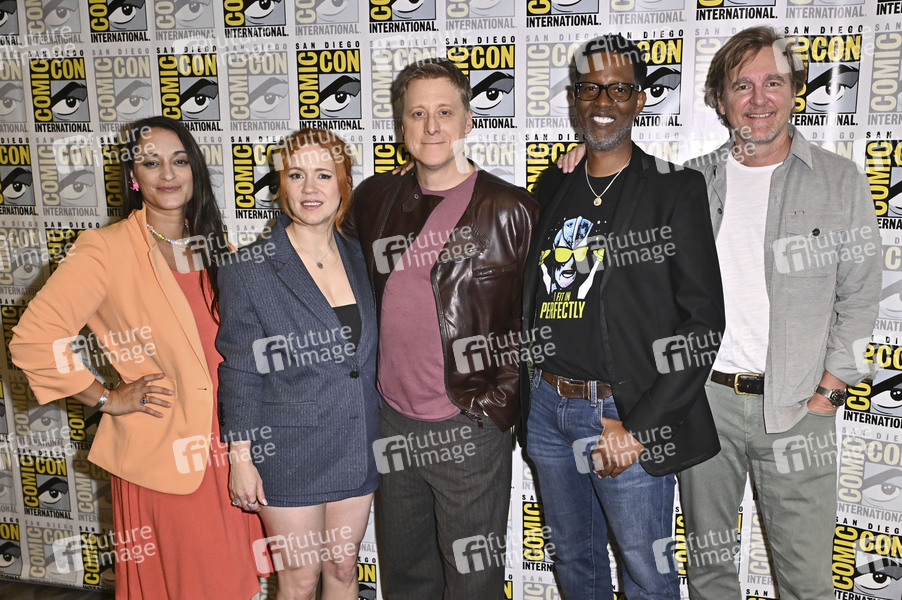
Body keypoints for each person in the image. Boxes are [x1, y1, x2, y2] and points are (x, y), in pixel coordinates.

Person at [9, 115, 266, 599]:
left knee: (233, 585)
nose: (167, 174)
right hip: (166, 452)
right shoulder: (104, 249)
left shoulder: (220, 248)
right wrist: (106, 398)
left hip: (232, 447)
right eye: (151, 163)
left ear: (195, 171)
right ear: (133, 176)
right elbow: (33, 340)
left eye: (179, 161)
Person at [676, 26, 881, 600]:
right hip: (706, 403)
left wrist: (830, 390)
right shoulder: (689, 182)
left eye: (774, 82)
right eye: (742, 85)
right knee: (709, 571)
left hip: (799, 407)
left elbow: (860, 295)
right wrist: (581, 159)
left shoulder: (839, 181)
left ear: (795, 92)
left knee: (806, 580)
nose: (758, 98)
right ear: (720, 100)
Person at [521, 34, 725, 600]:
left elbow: (703, 322)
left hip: (622, 414)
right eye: (590, 88)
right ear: (575, 98)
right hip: (547, 409)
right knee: (574, 562)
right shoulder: (554, 182)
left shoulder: (674, 188)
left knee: (646, 576)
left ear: (640, 98)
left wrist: (640, 427)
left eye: (618, 89)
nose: (603, 101)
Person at [349, 58, 538, 599]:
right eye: (418, 114)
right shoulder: (375, 199)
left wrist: (493, 406)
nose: (432, 126)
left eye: (445, 112)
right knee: (407, 578)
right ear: (401, 126)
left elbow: (534, 320)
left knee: (473, 583)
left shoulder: (511, 208)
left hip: (467, 423)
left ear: (468, 120)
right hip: (391, 420)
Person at [217, 128, 380, 600]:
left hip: (356, 440)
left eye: (324, 175)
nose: (311, 188)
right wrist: (241, 459)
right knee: (299, 580)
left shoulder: (361, 256)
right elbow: (240, 369)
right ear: (281, 185)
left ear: (343, 184)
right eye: (296, 175)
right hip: (287, 451)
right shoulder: (250, 267)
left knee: (343, 568)